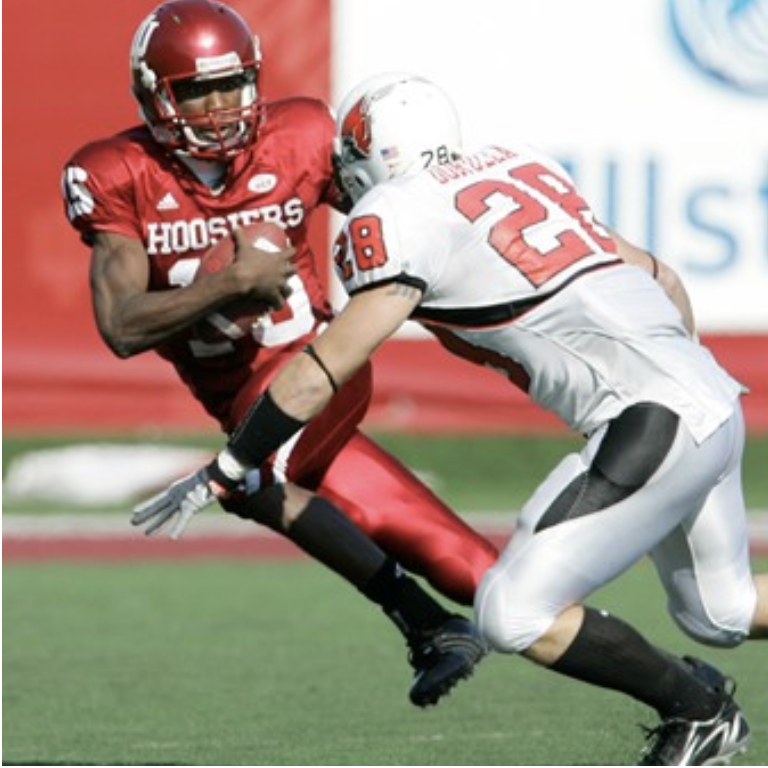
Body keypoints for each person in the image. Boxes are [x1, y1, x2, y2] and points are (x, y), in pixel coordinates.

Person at [142, 72, 768, 765]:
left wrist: (233, 463)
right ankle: (700, 707)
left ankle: (699, 712)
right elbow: (663, 277)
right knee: (721, 611)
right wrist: (692, 390)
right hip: (711, 397)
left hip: (658, 419)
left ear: (370, 155)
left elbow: (326, 365)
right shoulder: (521, 166)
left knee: (510, 612)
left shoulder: (397, 213)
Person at [61, 1, 500, 709]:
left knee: (246, 476)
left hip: (320, 370)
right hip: (245, 403)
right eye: (197, 90)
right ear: (155, 95)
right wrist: (229, 283)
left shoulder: (300, 135)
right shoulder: (119, 172)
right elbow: (120, 327)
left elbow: (409, 221)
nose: (220, 106)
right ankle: (670, 682)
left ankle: (426, 624)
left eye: (231, 84)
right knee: (478, 572)